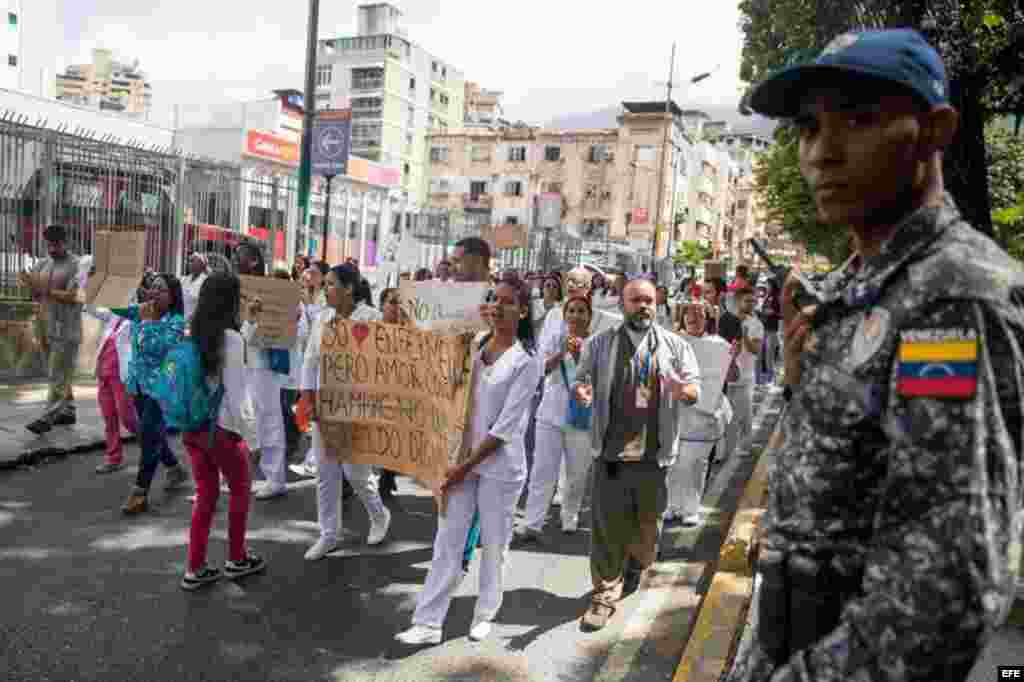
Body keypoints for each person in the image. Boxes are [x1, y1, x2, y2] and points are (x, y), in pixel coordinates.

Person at [727, 29, 1024, 682]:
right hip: (782, 640)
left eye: (858, 120)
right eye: (808, 127)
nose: (821, 153)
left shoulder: (954, 297)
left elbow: (945, 589)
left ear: (935, 131)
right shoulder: (859, 286)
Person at [396, 276, 541, 645]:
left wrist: (463, 468)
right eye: (495, 299)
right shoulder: (475, 344)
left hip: (500, 468)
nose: (498, 307)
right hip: (461, 461)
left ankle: (485, 612)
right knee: (448, 539)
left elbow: (504, 428)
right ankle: (428, 622)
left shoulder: (527, 360)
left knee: (493, 544)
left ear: (523, 311)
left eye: (508, 302)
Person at [572, 278, 700, 631]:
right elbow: (581, 379)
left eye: (649, 301)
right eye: (635, 300)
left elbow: (694, 388)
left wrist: (683, 390)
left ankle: (635, 565)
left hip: (653, 458)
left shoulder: (675, 346)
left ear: (656, 304)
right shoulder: (599, 344)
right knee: (607, 529)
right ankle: (604, 594)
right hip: (611, 455)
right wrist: (581, 391)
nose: (643, 306)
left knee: (647, 532)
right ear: (621, 304)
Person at [180, 271, 266, 591]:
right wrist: (253, 440)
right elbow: (238, 396)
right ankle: (237, 558)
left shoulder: (194, 333)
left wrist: (250, 324)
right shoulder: (230, 339)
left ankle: (195, 567)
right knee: (240, 489)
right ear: (229, 301)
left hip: (194, 427)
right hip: (222, 430)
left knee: (206, 494)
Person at [301, 263, 391, 560]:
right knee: (325, 474)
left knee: (355, 473)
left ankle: (379, 515)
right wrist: (309, 399)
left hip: (358, 408)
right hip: (325, 408)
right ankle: (329, 534)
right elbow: (310, 361)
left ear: (349, 289)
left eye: (330, 284)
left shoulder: (372, 318)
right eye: (324, 284)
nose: (325, 289)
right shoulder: (322, 318)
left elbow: (384, 364)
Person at [516, 294, 594, 541]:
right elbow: (541, 370)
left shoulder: (596, 343)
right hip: (550, 412)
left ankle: (570, 515)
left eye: (581, 311)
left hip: (581, 416)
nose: (576, 315)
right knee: (542, 470)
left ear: (589, 316)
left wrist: (580, 355)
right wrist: (563, 352)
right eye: (571, 310)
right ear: (564, 314)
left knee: (576, 474)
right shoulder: (553, 338)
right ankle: (532, 522)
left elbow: (597, 378)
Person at [110, 273, 190, 514]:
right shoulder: (142, 311)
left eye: (161, 290)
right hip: (138, 385)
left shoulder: (176, 321)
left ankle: (140, 493)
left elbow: (158, 348)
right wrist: (106, 286)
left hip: (162, 388)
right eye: (152, 287)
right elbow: (115, 307)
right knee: (152, 433)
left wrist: (147, 321)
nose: (154, 293)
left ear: (172, 296)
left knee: (147, 434)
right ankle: (174, 467)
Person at [237, 242, 302, 500]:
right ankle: (241, 471)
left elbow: (290, 326)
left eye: (240, 256)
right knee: (243, 419)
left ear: (253, 261)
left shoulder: (274, 290)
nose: (235, 260)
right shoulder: (239, 287)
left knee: (269, 420)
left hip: (263, 364)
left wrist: (291, 320)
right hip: (241, 362)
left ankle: (275, 479)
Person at [664, 301, 731, 525]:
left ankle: (691, 508)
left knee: (696, 465)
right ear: (683, 317)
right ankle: (671, 504)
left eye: (700, 313)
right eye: (689, 313)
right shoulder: (672, 341)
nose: (694, 317)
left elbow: (732, 376)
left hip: (704, 416)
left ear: (707, 318)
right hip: (676, 411)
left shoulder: (720, 344)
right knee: (672, 462)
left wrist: (731, 360)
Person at [20, 224, 83, 435]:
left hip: (67, 329)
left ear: (66, 242)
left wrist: (45, 289)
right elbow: (36, 294)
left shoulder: (78, 265)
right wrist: (29, 284)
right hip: (45, 326)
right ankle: (69, 410)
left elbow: (74, 296)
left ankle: (47, 417)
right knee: (56, 372)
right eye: (49, 245)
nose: (52, 249)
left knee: (57, 373)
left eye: (56, 244)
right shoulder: (43, 263)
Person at [84, 278, 138, 474]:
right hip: (103, 371)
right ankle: (114, 458)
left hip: (120, 375)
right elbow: (92, 310)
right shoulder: (113, 316)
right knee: (109, 417)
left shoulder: (136, 317)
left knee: (128, 418)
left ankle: (153, 444)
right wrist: (89, 287)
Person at [722, 288, 763, 460]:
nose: (751, 304)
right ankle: (733, 449)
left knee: (740, 416)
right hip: (724, 377)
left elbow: (756, 350)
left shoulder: (756, 324)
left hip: (744, 378)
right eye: (747, 301)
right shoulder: (726, 320)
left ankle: (738, 449)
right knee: (731, 416)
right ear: (738, 302)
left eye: (753, 301)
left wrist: (744, 336)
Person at [377, 286, 410, 500]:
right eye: (392, 302)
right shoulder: (371, 329)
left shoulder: (411, 333)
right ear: (382, 305)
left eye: (401, 303)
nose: (397, 307)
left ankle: (387, 477)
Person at [182, 253, 208, 321]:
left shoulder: (205, 281)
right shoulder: (184, 280)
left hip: (196, 320)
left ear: (201, 265)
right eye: (189, 261)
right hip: (182, 318)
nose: (189, 263)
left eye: (192, 261)